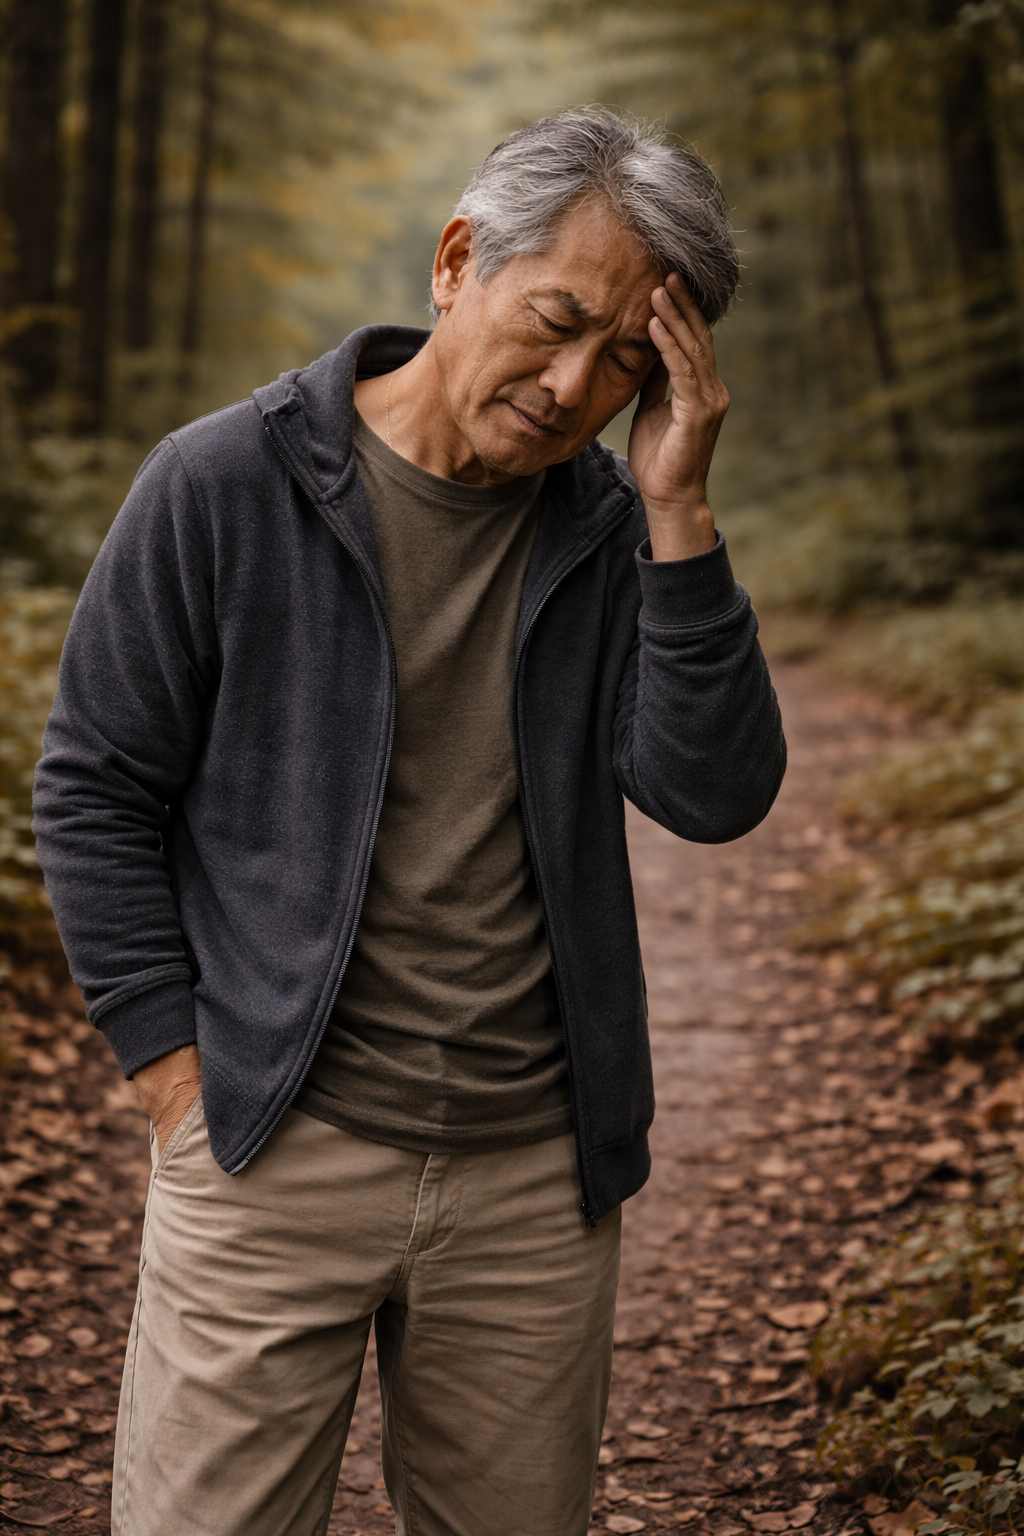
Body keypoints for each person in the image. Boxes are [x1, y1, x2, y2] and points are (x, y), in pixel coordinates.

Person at [33, 109, 785, 1536]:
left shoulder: (619, 528)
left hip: (532, 1181)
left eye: (626, 359)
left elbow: (715, 792)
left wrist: (680, 510)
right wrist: (175, 1087)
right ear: (457, 262)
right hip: (268, 1143)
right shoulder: (220, 486)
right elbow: (94, 786)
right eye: (557, 320)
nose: (574, 386)